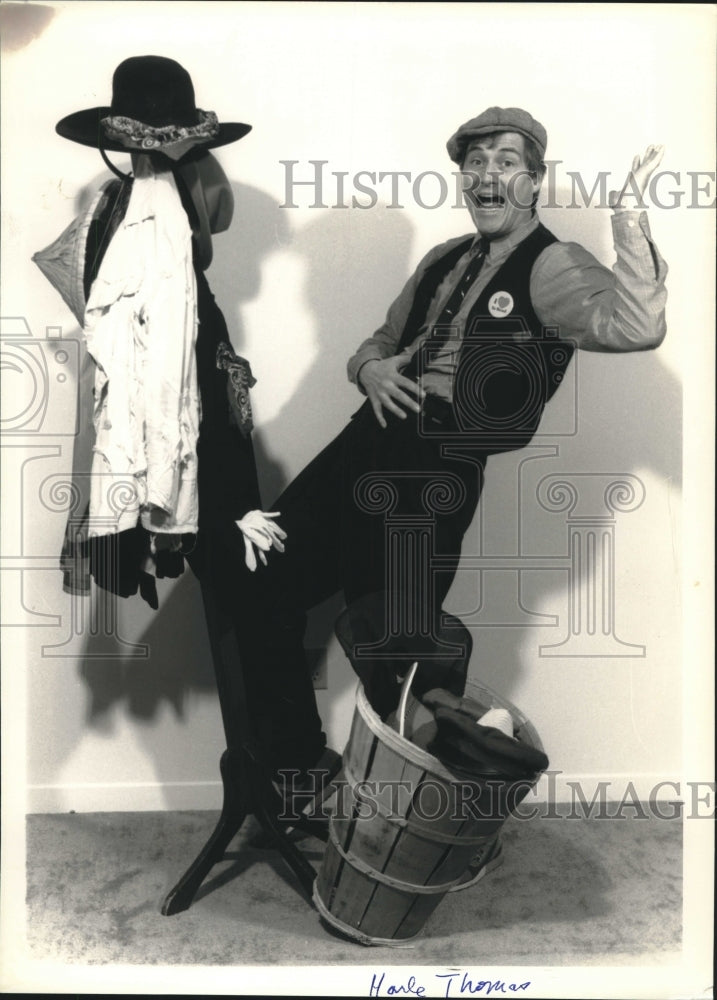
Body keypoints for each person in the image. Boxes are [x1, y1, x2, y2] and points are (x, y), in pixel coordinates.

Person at [240, 106, 667, 786]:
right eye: (475, 162)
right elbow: (380, 341)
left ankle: (417, 811)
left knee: (397, 648)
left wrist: (628, 220)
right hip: (367, 439)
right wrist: (368, 370)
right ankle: (298, 770)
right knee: (263, 577)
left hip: (432, 462)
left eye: (506, 162)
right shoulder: (443, 258)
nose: (486, 175)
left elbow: (637, 325)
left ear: (534, 181)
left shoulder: (552, 264)